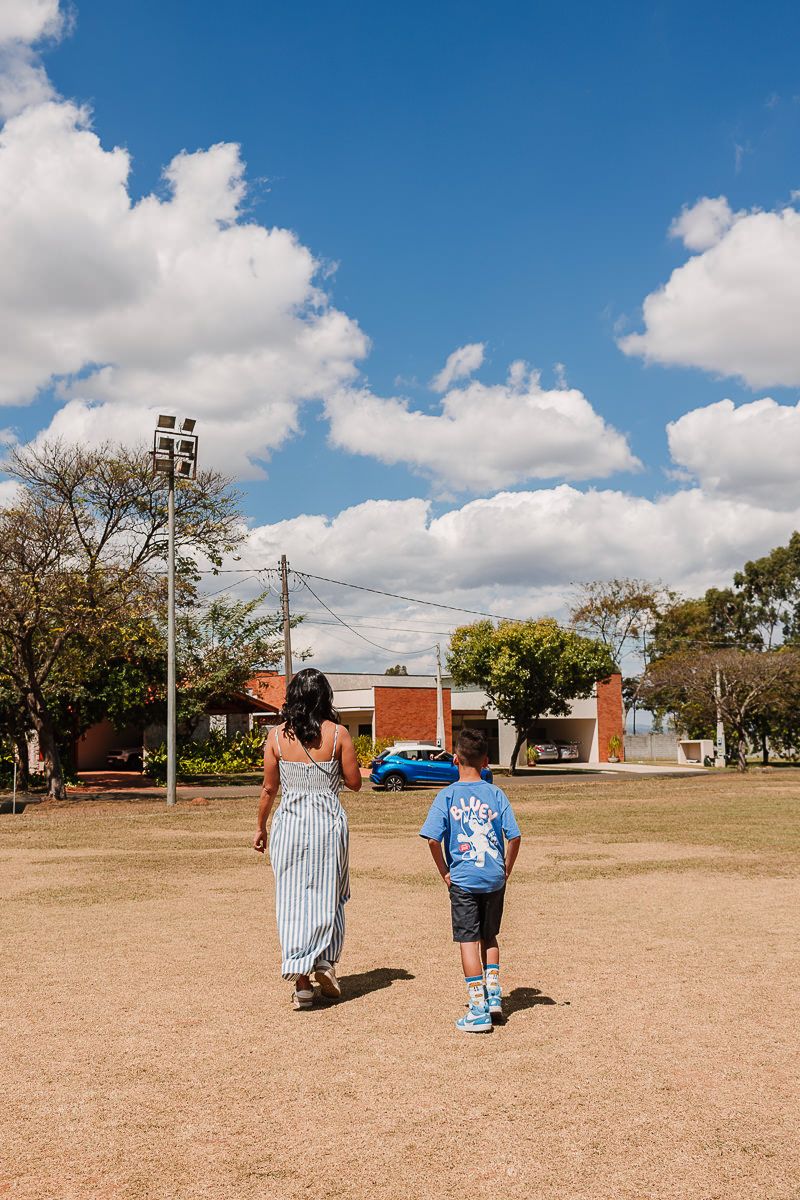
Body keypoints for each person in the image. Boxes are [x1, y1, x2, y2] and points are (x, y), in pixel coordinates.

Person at [253, 668, 362, 1010]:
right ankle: (325, 962)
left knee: (292, 902)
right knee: (330, 895)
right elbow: (356, 782)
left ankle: (301, 984)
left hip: (290, 824)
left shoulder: (275, 737)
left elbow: (269, 788)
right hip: (327, 824)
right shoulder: (338, 734)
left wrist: (261, 827)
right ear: (325, 696)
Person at [420, 728, 521, 1033]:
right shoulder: (496, 794)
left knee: (468, 940)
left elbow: (432, 840)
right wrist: (505, 869)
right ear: (486, 761)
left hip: (463, 880)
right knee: (489, 937)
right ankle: (493, 997)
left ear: (454, 760)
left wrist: (444, 872)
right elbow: (514, 836)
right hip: (493, 878)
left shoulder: (446, 795)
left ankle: (477, 1009)